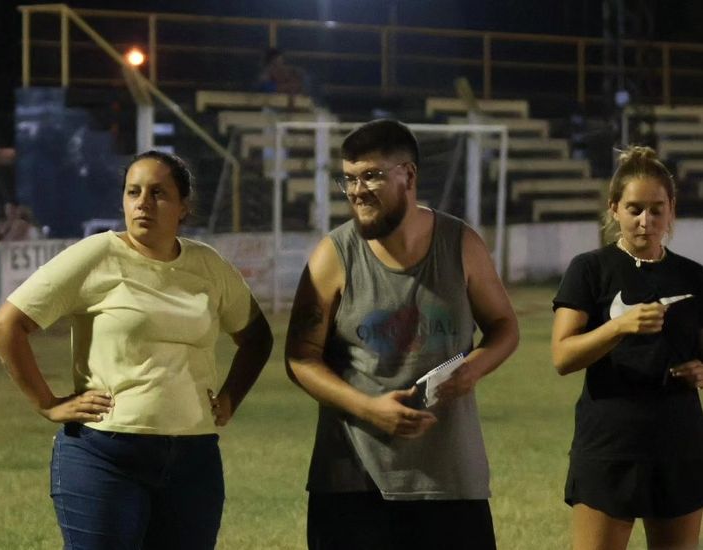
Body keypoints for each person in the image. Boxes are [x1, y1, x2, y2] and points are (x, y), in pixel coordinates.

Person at [0, 150, 273, 549]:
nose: (142, 203)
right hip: (105, 455)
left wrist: (230, 398)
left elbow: (257, 338)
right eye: (133, 192)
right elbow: (5, 326)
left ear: (183, 206)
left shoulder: (208, 266)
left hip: (194, 460)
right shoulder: (97, 255)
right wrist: (47, 403)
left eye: (158, 193)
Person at [284, 119, 519, 549]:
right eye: (349, 179)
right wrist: (369, 409)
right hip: (352, 480)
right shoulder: (333, 256)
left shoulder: (461, 244)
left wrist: (475, 367)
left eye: (371, 175)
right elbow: (300, 357)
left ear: (408, 175)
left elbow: (505, 326)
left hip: (449, 476)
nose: (357, 190)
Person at [551, 146, 703, 550]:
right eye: (634, 208)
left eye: (656, 209)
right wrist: (618, 327)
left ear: (672, 210)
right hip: (610, 443)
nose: (645, 221)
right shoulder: (590, 269)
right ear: (614, 208)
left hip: (680, 443)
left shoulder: (694, 276)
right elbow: (563, 357)